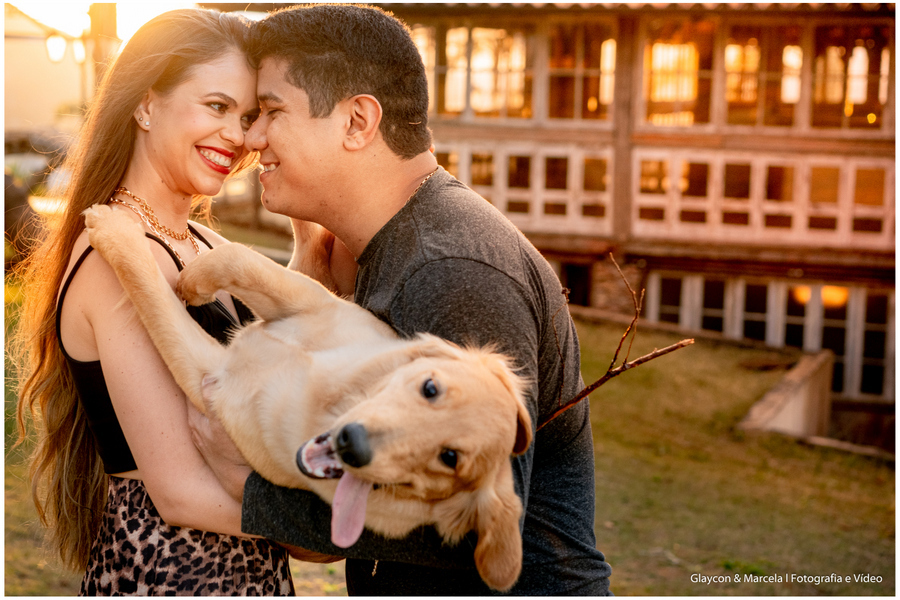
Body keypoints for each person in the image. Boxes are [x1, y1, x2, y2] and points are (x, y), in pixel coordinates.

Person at [192, 4, 613, 595]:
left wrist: (244, 477)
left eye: (271, 111)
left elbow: (466, 516)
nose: (250, 137)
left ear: (358, 121)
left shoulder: (453, 271)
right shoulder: (390, 246)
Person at [11, 9, 295, 595]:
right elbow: (180, 491)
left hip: (251, 574)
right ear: (145, 104)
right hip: (171, 572)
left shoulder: (209, 245)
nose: (238, 137)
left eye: (246, 117)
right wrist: (327, 532)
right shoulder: (116, 258)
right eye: (216, 107)